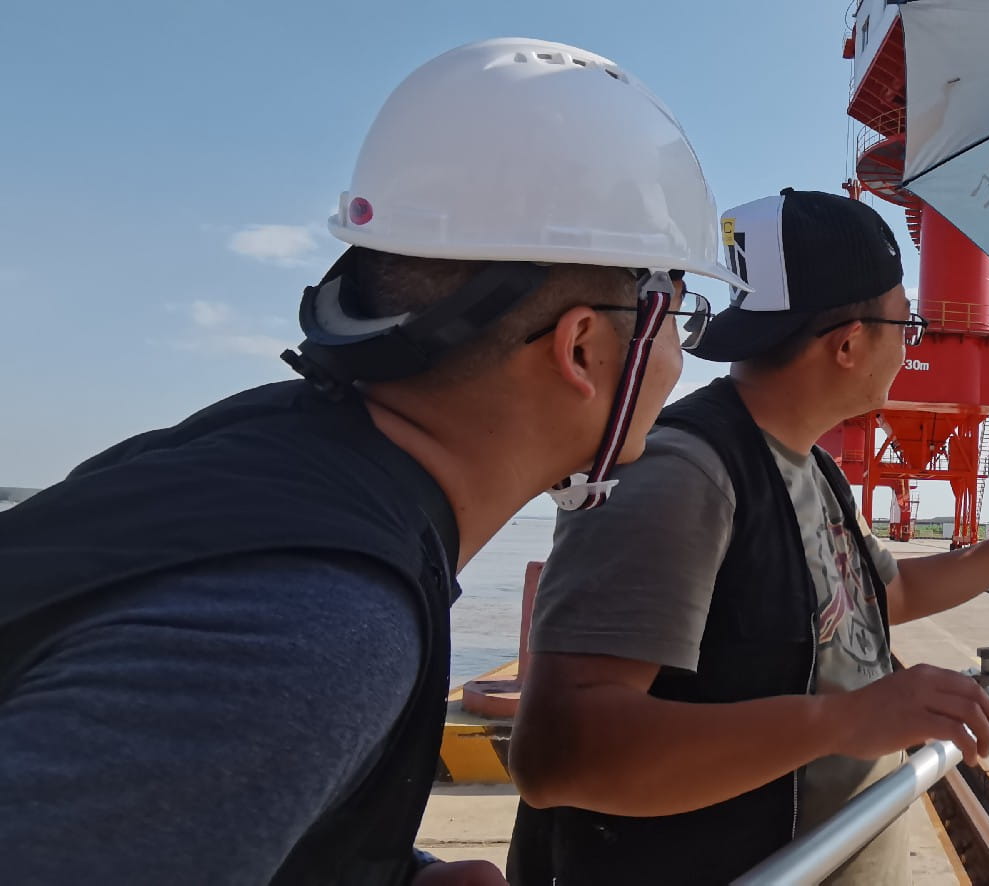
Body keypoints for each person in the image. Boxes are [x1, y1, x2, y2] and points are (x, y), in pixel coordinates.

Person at [0, 37, 741, 885]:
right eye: (678, 318)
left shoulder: (259, 451)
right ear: (582, 348)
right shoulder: (315, 628)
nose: (681, 362)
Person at [506, 188, 989, 885]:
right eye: (906, 325)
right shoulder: (685, 475)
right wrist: (844, 721)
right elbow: (559, 754)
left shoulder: (811, 466)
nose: (910, 346)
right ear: (848, 344)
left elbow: (892, 594)